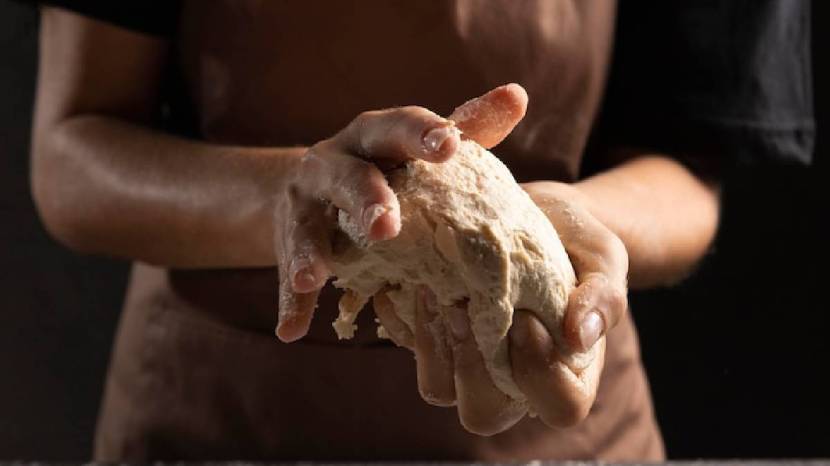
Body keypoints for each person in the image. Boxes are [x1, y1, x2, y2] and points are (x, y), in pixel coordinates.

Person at [28, 0, 813, 461]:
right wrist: (291, 194)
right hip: (223, 417)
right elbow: (74, 151)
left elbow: (684, 163)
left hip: (551, 407)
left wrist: (552, 232)